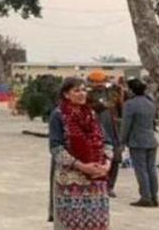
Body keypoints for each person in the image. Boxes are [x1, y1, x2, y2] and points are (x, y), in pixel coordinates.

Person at [48, 77, 111, 228]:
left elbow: (107, 142)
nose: (82, 93)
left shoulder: (92, 114)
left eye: (84, 90)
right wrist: (82, 166)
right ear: (66, 94)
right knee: (71, 223)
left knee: (96, 223)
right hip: (70, 182)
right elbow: (56, 148)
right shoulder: (58, 115)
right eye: (76, 90)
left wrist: (107, 164)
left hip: (96, 179)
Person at [120, 78, 159, 207]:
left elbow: (126, 125)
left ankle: (145, 197)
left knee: (141, 170)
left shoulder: (130, 104)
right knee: (151, 169)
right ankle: (154, 196)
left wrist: (122, 141)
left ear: (131, 90)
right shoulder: (150, 102)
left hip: (137, 141)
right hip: (151, 140)